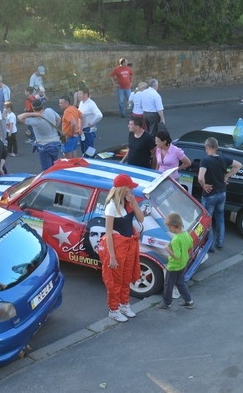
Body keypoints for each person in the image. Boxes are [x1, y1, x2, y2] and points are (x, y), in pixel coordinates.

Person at [97, 174, 146, 323]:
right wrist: (111, 256)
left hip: (129, 245)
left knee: (126, 278)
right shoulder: (111, 206)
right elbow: (109, 233)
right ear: (123, 188)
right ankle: (114, 310)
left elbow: (141, 218)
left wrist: (134, 203)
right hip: (118, 247)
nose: (131, 189)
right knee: (115, 281)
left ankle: (124, 304)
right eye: (129, 187)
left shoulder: (128, 201)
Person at [198, 137, 242, 252]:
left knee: (208, 221)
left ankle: (210, 246)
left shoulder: (205, 160)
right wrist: (227, 176)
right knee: (220, 218)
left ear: (207, 147)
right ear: (216, 147)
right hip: (222, 193)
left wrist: (204, 185)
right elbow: (238, 165)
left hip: (209, 195)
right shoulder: (223, 159)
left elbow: (200, 177)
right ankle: (220, 242)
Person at [156, 212, 194, 311]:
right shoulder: (185, 233)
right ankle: (188, 301)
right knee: (180, 283)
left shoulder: (176, 239)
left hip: (174, 266)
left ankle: (166, 303)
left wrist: (167, 248)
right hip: (183, 264)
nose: (168, 229)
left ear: (173, 226)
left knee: (168, 285)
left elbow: (176, 256)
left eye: (169, 227)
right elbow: (190, 245)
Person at [18, 99, 62, 171]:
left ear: (33, 108)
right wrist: (54, 128)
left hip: (43, 145)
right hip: (55, 143)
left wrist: (34, 114)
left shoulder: (35, 121)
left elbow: (20, 117)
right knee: (55, 167)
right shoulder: (49, 110)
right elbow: (59, 119)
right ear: (43, 106)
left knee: (47, 170)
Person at [77, 88, 103, 155]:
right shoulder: (81, 103)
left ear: (85, 94)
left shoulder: (91, 104)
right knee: (83, 149)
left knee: (89, 149)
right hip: (82, 130)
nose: (78, 95)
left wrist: (91, 123)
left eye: (80, 93)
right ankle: (86, 161)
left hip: (88, 130)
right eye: (78, 93)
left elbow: (99, 115)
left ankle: (91, 161)